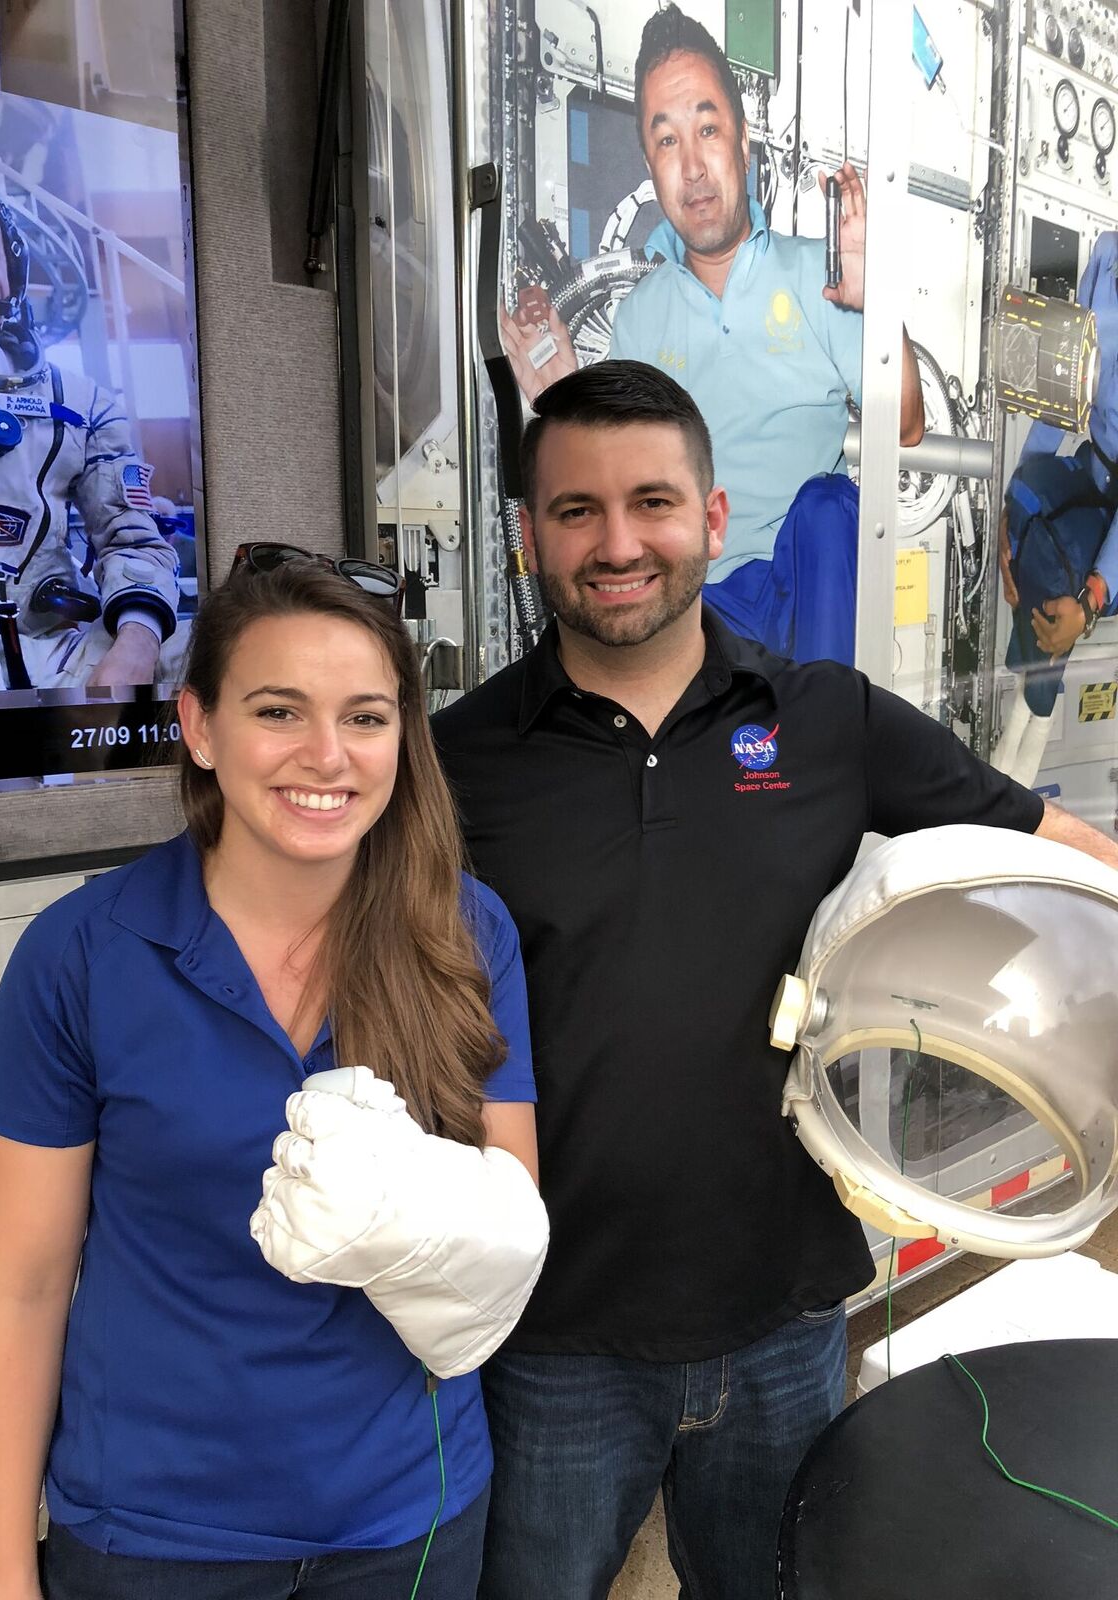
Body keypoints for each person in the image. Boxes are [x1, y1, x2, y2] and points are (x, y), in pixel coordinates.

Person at [432, 361, 1118, 1600]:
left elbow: (1057, 853)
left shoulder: (828, 721)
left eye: (652, 502)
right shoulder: (455, 761)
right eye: (577, 510)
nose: (617, 543)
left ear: (712, 516)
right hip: (549, 1338)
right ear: (529, 533)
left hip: (785, 1318)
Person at [0, 550, 546, 1600]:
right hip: (152, 1530)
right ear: (199, 726)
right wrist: (2, 1567)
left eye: (366, 718)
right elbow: (20, 1284)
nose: (327, 755)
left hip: (404, 1511)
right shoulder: (82, 955)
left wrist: (390, 1204)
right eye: (279, 711)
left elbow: (511, 1220)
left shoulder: (464, 932)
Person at [501, 3, 924, 666]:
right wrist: (564, 397)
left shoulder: (818, 276)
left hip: (804, 591)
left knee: (829, 506)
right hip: (696, 606)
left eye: (707, 128)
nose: (693, 166)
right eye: (667, 141)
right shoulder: (640, 316)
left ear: (743, 140)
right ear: (649, 163)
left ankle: (827, 719)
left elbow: (906, 424)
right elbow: (620, 482)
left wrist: (877, 307)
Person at [0, 165, 180, 694]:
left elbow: (132, 540)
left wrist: (137, 644)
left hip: (57, 639)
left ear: (12, 270)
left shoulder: (80, 404)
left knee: (216, 664)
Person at [994, 231, 1118, 779]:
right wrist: (1012, 517)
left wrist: (1090, 604)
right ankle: (1029, 706)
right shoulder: (1107, 257)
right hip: (1098, 469)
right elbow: (1061, 394)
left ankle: (1023, 741)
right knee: (1024, 499)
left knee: (1059, 565)